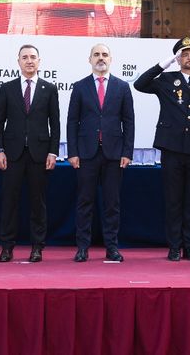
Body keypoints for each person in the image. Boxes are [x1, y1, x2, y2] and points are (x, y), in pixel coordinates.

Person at [134, 37, 190, 263]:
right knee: (173, 201)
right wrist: (164, 64)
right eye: (184, 54)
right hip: (172, 148)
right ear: (178, 58)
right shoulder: (166, 79)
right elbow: (140, 84)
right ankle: (174, 247)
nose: (189, 57)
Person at [0, 44, 61, 263]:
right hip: (12, 154)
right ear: (18, 61)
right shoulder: (7, 88)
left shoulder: (49, 89)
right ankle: (6, 247)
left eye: (33, 57)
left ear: (39, 61)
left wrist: (53, 152)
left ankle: (37, 247)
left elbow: (55, 124)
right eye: (25, 57)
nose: (29, 61)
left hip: (39, 155)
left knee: (37, 203)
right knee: (9, 203)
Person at [66, 43, 134, 263]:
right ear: (90, 60)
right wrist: (73, 152)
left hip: (114, 155)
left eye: (104, 54)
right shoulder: (80, 87)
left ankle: (112, 248)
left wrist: (128, 152)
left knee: (112, 204)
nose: (100, 58)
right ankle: (82, 248)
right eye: (96, 55)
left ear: (111, 59)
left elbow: (129, 122)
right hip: (86, 154)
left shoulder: (122, 87)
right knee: (85, 202)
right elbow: (72, 121)